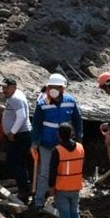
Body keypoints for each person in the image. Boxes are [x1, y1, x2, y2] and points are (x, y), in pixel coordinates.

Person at [31, 73, 83, 210]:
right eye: (51, 87)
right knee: (44, 173)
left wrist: (79, 138)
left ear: (62, 89)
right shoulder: (42, 103)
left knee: (63, 172)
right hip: (47, 144)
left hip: (64, 146)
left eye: (57, 87)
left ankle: (58, 199)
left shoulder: (70, 101)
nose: (53, 89)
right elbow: (36, 124)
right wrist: (34, 143)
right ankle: (39, 201)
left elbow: (77, 121)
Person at [48, 123, 84, 218]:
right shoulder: (80, 147)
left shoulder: (57, 150)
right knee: (75, 212)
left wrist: (51, 187)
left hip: (62, 188)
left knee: (65, 215)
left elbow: (52, 171)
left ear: (58, 135)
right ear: (71, 134)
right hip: (76, 186)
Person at [0, 77, 32, 203]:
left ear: (14, 86)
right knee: (19, 164)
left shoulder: (15, 98)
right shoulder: (15, 96)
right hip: (21, 135)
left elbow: (22, 116)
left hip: (19, 136)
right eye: (3, 87)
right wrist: (5, 111)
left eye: (6, 87)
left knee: (15, 163)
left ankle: (24, 190)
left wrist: (12, 132)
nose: (4, 90)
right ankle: (25, 189)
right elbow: (16, 113)